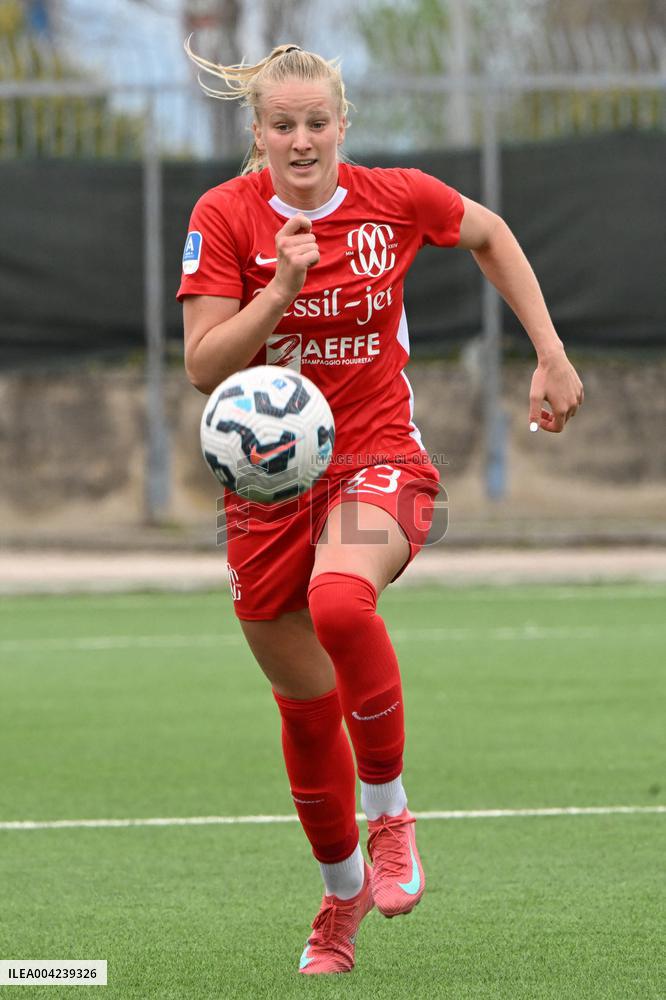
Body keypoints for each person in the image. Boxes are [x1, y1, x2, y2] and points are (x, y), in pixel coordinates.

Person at [177, 42, 584, 976]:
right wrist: (278, 286)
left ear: (343, 125)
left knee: (340, 604)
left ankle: (393, 812)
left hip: (380, 461)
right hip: (267, 492)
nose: (302, 139)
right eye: (282, 124)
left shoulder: (394, 197)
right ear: (258, 133)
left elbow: (489, 234)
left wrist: (550, 352)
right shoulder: (225, 217)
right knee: (304, 710)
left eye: (317, 122)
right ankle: (341, 897)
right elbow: (204, 365)